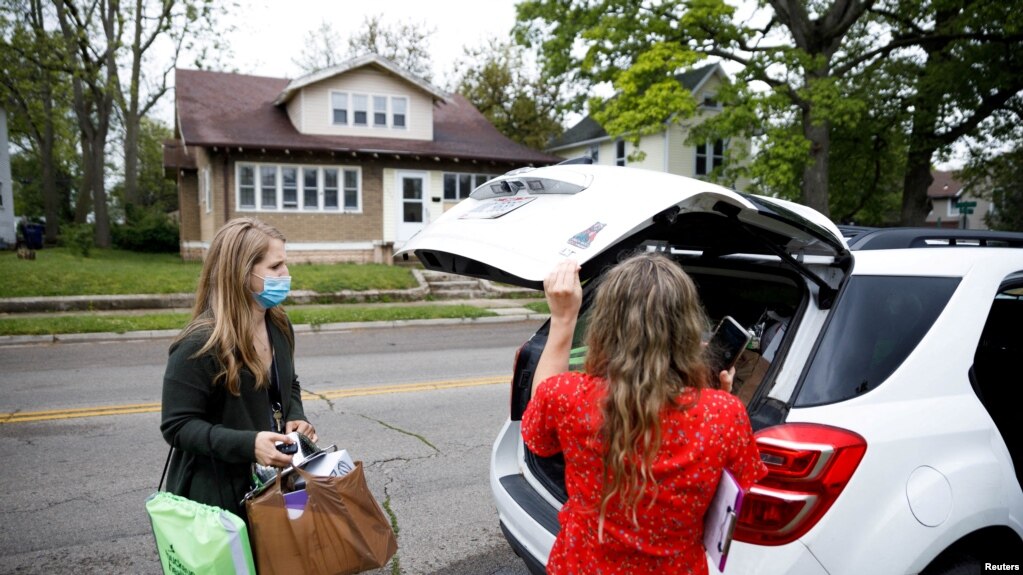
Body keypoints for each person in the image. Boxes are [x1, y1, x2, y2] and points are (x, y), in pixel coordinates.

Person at [522, 253, 768, 574]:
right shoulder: (724, 413)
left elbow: (537, 435)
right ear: (688, 328)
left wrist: (564, 319)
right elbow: (739, 496)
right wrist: (715, 398)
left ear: (604, 324)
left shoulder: (567, 397)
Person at [161, 217, 317, 520]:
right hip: (217, 498)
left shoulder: (279, 324)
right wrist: (249, 444)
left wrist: (295, 415)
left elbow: (288, 383)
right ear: (241, 273)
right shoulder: (199, 344)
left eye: (285, 264)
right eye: (275, 267)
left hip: (275, 483)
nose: (286, 274)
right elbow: (177, 426)